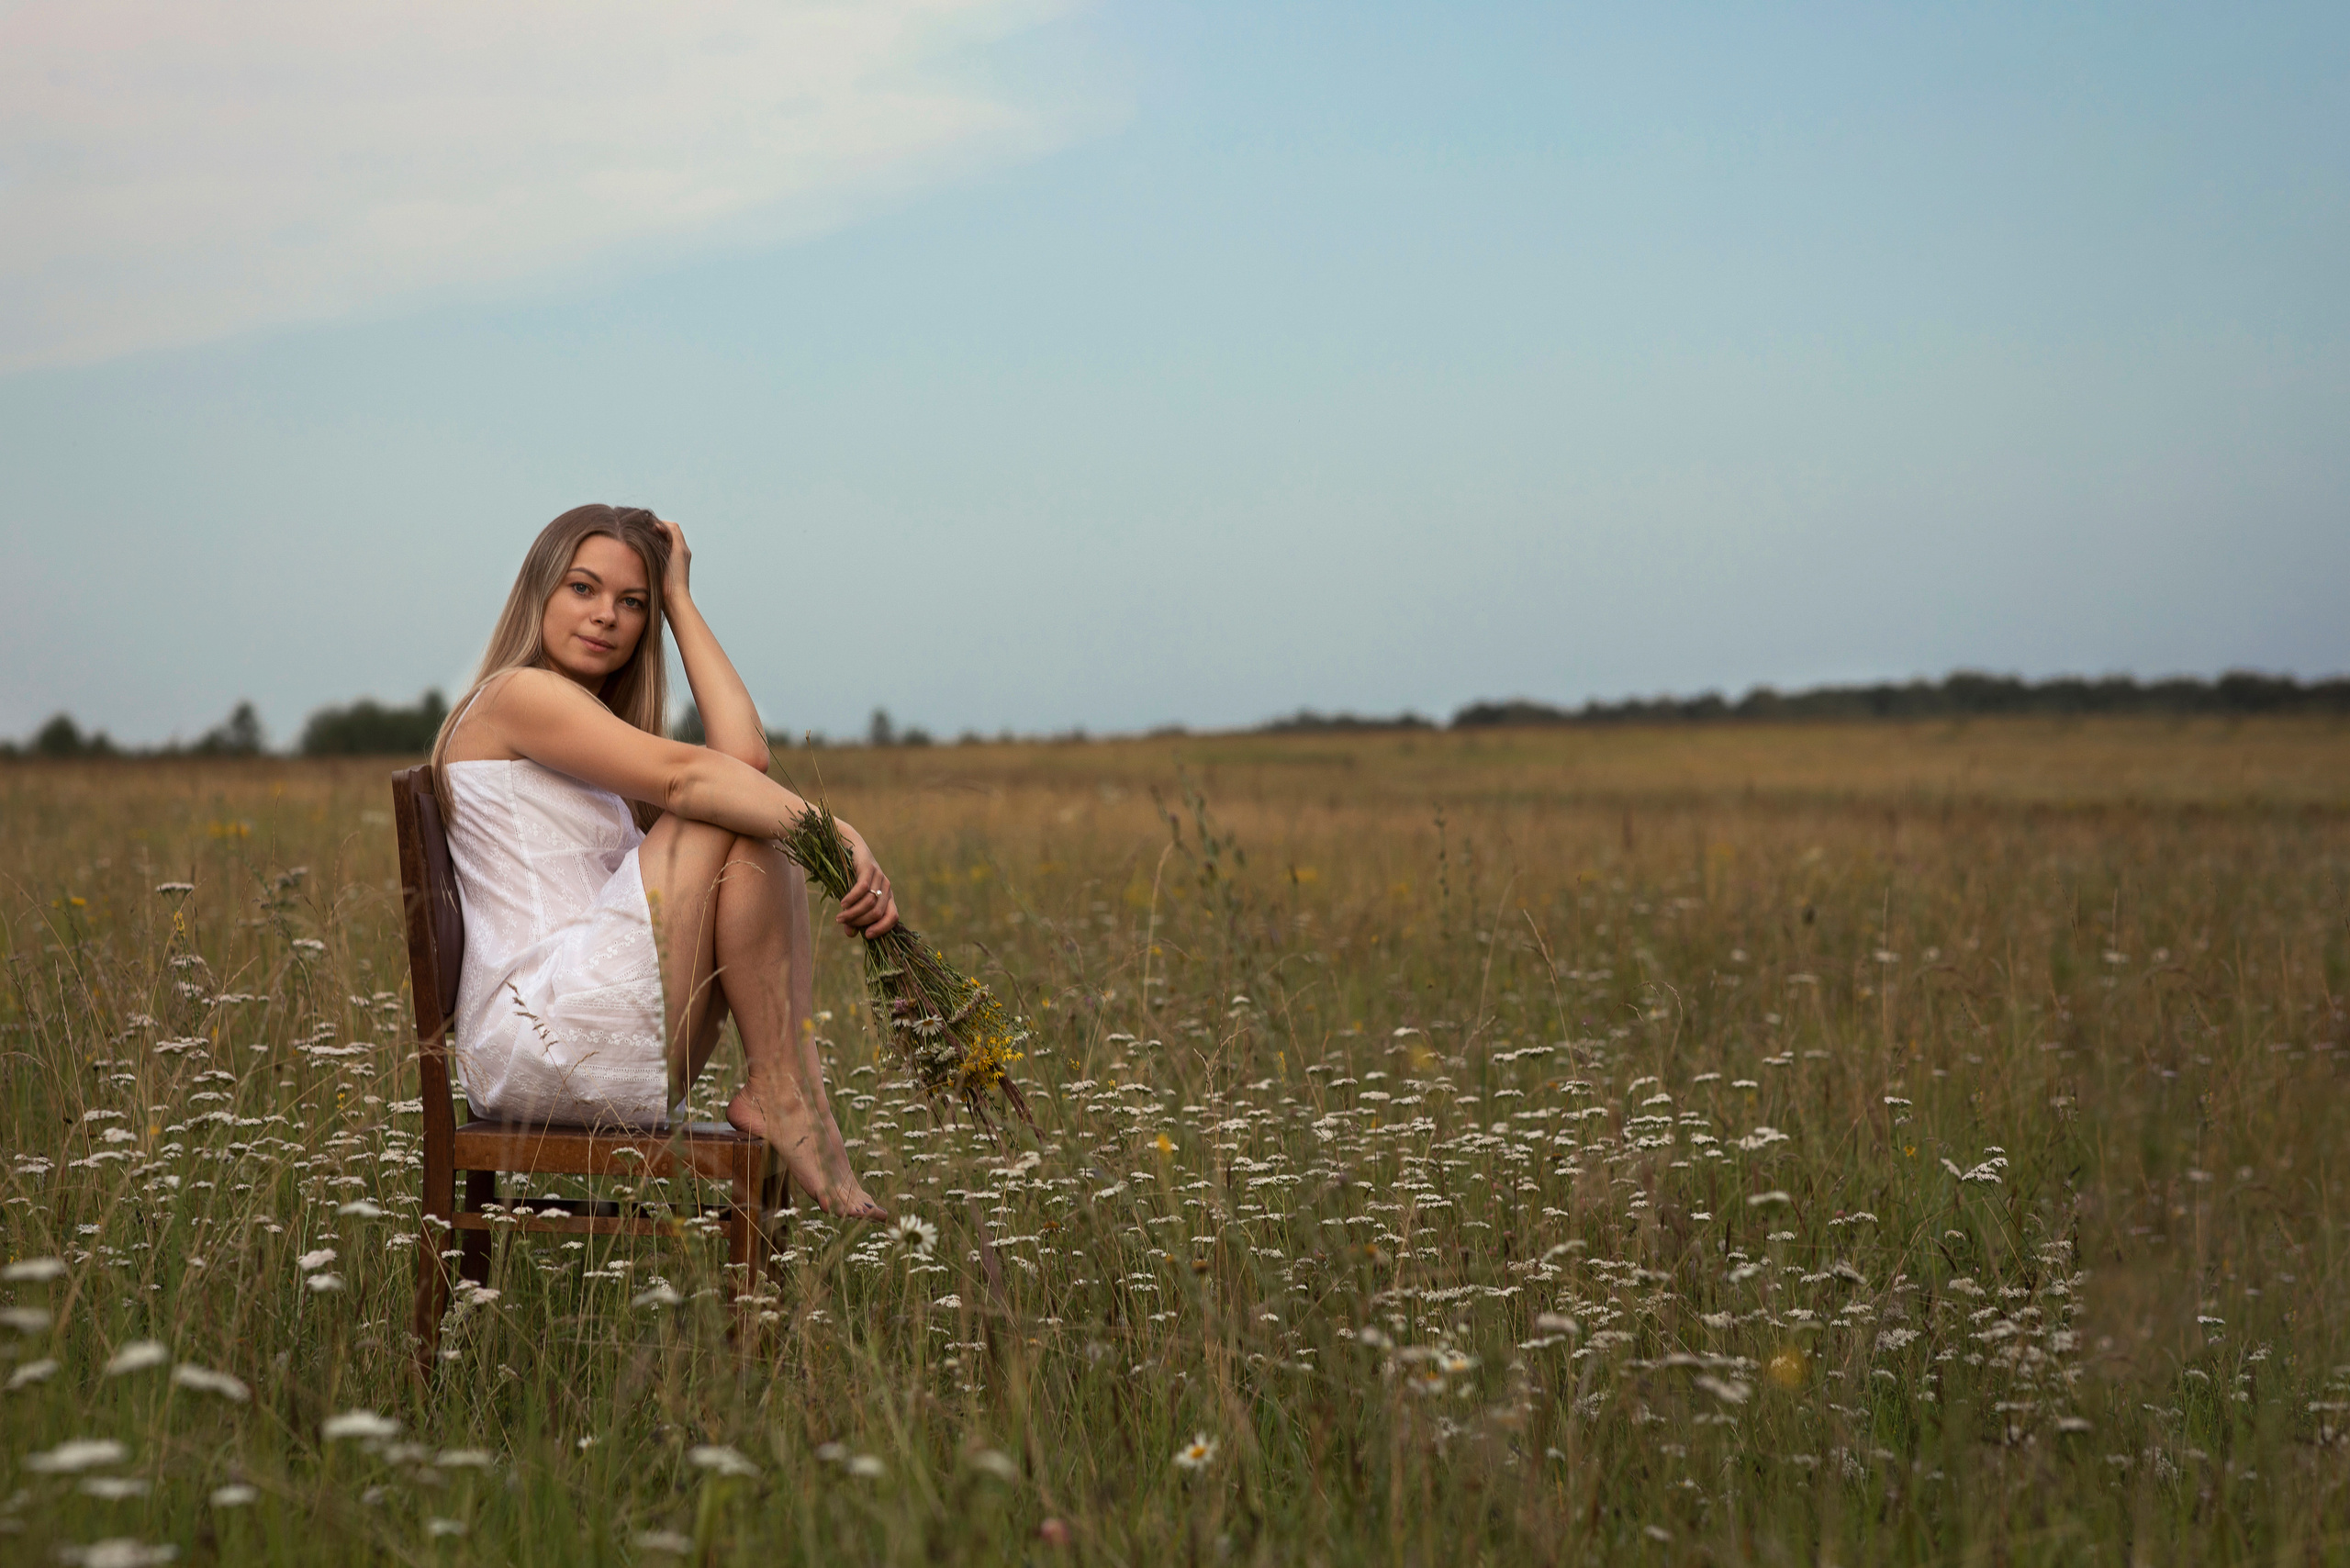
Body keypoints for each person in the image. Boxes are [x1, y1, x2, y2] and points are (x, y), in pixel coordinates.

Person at [431, 503, 887, 1218]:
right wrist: (836, 837)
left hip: (586, 1032)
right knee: (728, 807)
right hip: (543, 1033)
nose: (607, 615)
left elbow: (740, 763)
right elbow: (715, 773)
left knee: (749, 826)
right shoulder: (518, 695)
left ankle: (784, 1088)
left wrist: (680, 599)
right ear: (538, 593)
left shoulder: (583, 722)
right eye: (582, 589)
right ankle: (785, 1090)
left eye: (632, 601)